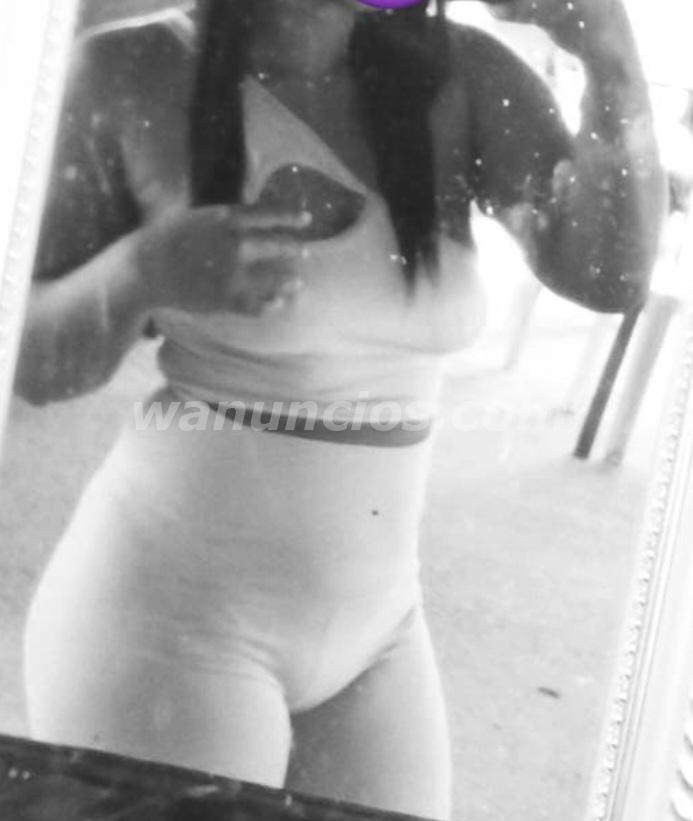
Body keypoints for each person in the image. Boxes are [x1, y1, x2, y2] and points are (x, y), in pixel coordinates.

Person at [14, 0, 665, 818]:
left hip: (380, 626)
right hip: (166, 612)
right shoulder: (129, 70)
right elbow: (30, 365)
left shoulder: (460, 71)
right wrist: (139, 272)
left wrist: (610, 56)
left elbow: (608, 279)